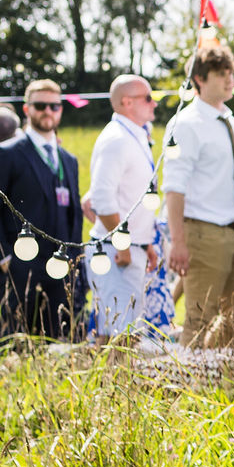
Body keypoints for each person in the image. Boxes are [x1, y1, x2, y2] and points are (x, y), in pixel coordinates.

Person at [0, 79, 84, 344]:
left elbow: (75, 212)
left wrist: (74, 258)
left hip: (61, 266)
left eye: (54, 106)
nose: (48, 111)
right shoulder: (7, 154)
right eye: (40, 105)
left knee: (60, 346)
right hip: (21, 266)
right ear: (27, 110)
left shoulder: (69, 160)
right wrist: (2, 257)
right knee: (14, 346)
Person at [163, 45, 234, 348]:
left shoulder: (230, 120)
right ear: (199, 79)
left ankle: (224, 387)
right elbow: (174, 186)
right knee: (199, 320)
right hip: (203, 233)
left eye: (230, 72)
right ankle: (188, 390)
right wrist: (179, 240)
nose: (228, 80)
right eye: (219, 74)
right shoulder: (186, 124)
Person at [84, 74, 160, 341]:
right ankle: (108, 384)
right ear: (127, 102)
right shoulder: (117, 139)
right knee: (118, 337)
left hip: (130, 247)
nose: (155, 104)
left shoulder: (134, 135)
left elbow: (133, 196)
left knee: (128, 335)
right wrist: (124, 244)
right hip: (115, 252)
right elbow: (102, 198)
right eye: (148, 98)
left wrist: (145, 242)